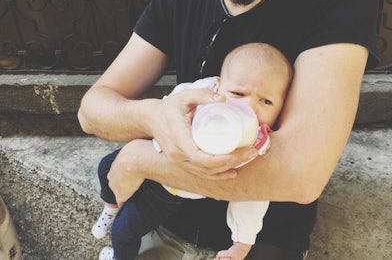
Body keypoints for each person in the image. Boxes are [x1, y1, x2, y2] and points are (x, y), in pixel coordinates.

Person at [78, 0, 380, 259]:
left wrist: (139, 160)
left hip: (263, 241)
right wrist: (153, 116)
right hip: (162, 220)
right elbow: (91, 110)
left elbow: (301, 176)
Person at [93, 43, 293, 260]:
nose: (249, 107)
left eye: (266, 101)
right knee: (106, 166)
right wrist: (162, 133)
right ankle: (110, 209)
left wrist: (241, 244)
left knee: (124, 231)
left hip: (169, 190)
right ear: (217, 86)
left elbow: (253, 198)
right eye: (238, 92)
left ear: (281, 109)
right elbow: (171, 106)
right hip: (153, 154)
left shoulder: (255, 146)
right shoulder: (202, 95)